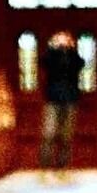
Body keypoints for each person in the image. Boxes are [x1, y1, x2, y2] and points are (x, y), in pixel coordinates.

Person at [38, 26, 81, 177]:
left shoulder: (73, 57)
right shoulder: (51, 56)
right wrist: (53, 48)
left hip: (70, 99)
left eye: (65, 39)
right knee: (48, 134)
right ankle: (44, 167)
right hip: (52, 99)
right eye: (59, 39)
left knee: (66, 135)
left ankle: (63, 168)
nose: (63, 42)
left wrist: (70, 49)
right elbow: (44, 62)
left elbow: (79, 64)